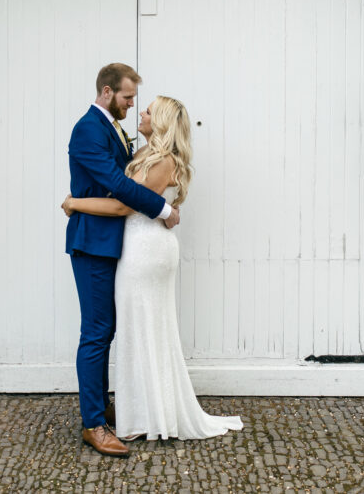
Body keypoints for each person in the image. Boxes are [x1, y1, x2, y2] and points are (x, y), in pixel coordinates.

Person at [63, 96, 243, 441]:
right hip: (134, 248)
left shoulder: (163, 162)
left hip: (146, 252)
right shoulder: (142, 155)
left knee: (143, 327)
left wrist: (73, 202)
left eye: (147, 111)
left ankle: (149, 413)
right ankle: (140, 405)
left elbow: (121, 207)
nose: (140, 114)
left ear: (160, 122)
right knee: (135, 328)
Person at [66, 63, 181, 458]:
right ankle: (93, 425)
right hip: (93, 243)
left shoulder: (111, 127)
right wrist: (164, 211)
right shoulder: (88, 130)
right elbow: (118, 187)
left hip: (114, 244)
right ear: (106, 92)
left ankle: (100, 405)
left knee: (107, 329)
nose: (132, 105)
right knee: (96, 332)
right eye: (128, 98)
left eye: (135, 100)